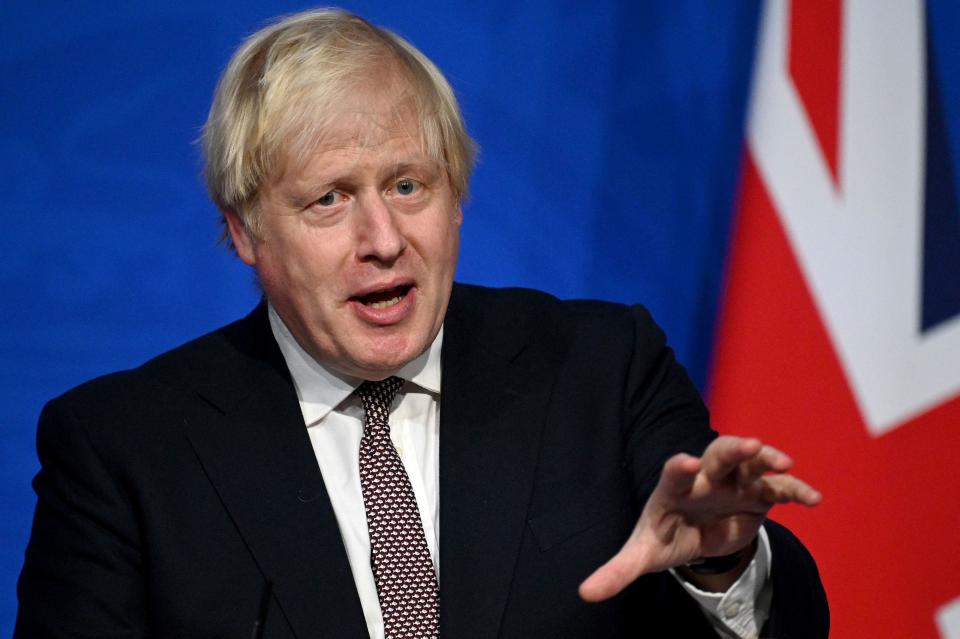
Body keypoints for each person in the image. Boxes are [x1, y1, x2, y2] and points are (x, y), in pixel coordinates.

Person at [15, 8, 828, 639]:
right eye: (329, 198)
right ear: (243, 231)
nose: (383, 239)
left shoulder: (603, 369)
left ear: (458, 193)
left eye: (408, 185)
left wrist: (724, 562)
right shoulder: (124, 450)